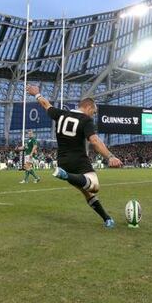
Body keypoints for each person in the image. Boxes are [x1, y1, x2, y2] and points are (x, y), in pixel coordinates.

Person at [26, 84, 122, 228]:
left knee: (86, 192)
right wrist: (110, 157)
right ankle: (65, 175)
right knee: (94, 186)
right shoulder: (86, 120)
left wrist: (37, 94)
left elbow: (46, 105)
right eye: (94, 112)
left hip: (63, 161)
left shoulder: (61, 114)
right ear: (88, 107)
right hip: (79, 160)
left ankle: (107, 218)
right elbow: (94, 141)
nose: (93, 115)